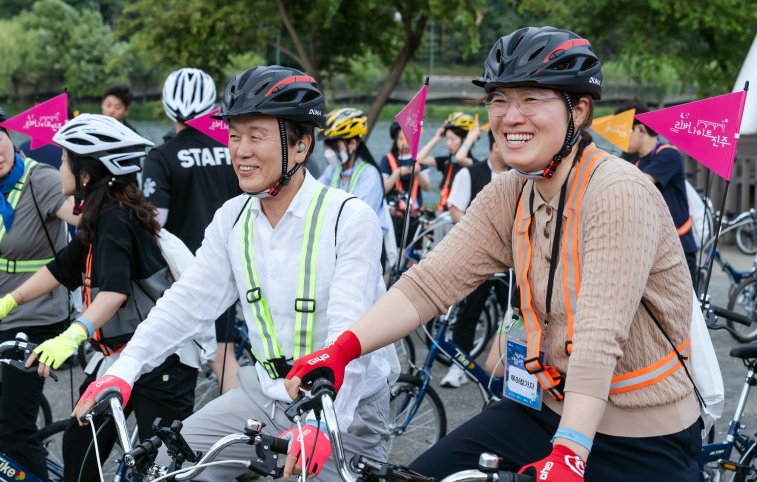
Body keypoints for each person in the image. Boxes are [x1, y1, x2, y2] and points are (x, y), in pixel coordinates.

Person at [286, 26, 701, 482]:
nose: (510, 116)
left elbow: (598, 338)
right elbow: (430, 283)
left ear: (578, 110)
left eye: (531, 99)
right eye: (499, 99)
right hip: (543, 410)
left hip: (640, 437)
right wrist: (341, 351)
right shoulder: (510, 192)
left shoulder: (617, 191)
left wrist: (569, 452)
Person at [72, 65, 398, 481]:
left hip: (343, 413)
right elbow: (187, 302)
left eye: (256, 136)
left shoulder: (348, 218)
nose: (240, 150)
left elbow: (347, 333)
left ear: (301, 146)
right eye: (234, 135)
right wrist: (124, 369)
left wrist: (319, 423)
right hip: (265, 397)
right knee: (164, 468)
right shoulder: (231, 219)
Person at [0, 113, 200, 481]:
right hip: (124, 356)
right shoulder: (99, 215)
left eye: (64, 159)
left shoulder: (115, 218)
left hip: (163, 361)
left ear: (86, 173)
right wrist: (6, 303)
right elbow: (61, 268)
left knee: (158, 468)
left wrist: (71, 335)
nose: (59, 165)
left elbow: (114, 292)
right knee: (81, 449)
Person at [0, 96, 78, 480]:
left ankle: (28, 469)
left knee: (14, 434)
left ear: (10, 136)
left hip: (38, 316)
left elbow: (81, 215)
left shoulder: (39, 179)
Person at [143, 67, 242, 392]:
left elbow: (155, 222)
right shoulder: (233, 147)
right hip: (236, 260)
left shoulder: (162, 155)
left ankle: (244, 430)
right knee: (224, 354)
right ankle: (247, 430)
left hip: (189, 272)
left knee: (196, 355)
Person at [439, 128, 507, 387]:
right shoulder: (471, 173)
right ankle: (458, 367)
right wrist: (480, 233)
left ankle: (513, 370)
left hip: (510, 265)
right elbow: (454, 209)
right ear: (495, 146)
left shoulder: (520, 176)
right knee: (468, 314)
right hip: (479, 260)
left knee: (517, 315)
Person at [617, 101, 698, 286]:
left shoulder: (668, 154)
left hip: (679, 249)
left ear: (640, 129)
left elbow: (640, 183)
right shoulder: (635, 160)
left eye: (623, 131)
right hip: (653, 250)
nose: (620, 138)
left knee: (682, 313)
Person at [319, 108, 391, 265]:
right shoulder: (333, 170)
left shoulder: (369, 174)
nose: (328, 152)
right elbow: (314, 196)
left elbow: (356, 220)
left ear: (352, 144)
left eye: (334, 145)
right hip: (337, 250)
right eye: (327, 146)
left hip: (365, 254)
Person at [379, 121, 431, 251]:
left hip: (414, 215)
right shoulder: (387, 159)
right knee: (394, 251)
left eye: (408, 138)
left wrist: (417, 172)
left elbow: (426, 186)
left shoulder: (419, 158)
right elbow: (384, 188)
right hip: (394, 215)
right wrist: (397, 173)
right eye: (401, 138)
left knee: (413, 254)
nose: (405, 142)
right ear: (395, 140)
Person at [417, 112, 478, 212]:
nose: (448, 143)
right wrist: (437, 138)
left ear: (464, 139)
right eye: (447, 139)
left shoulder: (473, 163)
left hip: (460, 219)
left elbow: (460, 158)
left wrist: (470, 139)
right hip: (444, 216)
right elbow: (420, 158)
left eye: (452, 139)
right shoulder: (447, 161)